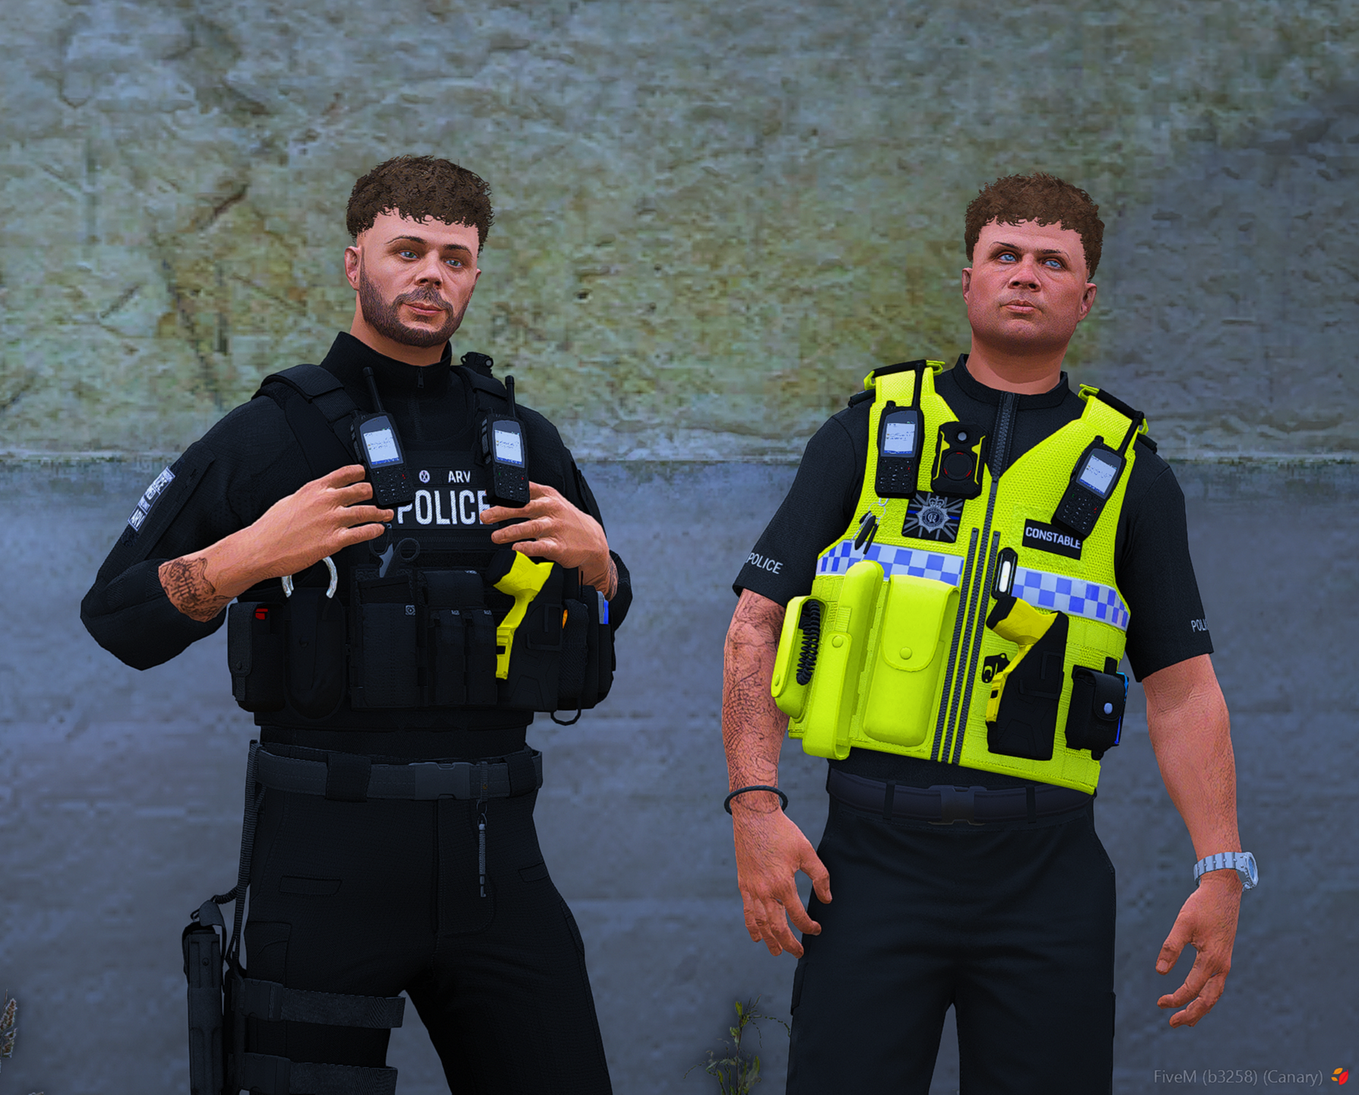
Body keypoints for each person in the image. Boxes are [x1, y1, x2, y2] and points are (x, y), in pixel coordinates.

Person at [81, 155, 631, 1094]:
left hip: (499, 863)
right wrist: (250, 552)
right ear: (354, 263)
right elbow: (116, 615)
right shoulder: (274, 434)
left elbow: (609, 614)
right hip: (323, 864)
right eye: (407, 250)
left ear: (476, 274)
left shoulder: (519, 438)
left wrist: (603, 565)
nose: (431, 275)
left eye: (454, 258)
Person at [721, 172, 1250, 1094]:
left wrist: (1222, 867)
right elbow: (755, 625)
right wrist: (755, 808)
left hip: (1048, 873)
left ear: (1085, 297)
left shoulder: (1130, 475)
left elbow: (1183, 689)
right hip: (871, 862)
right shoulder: (867, 433)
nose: (1025, 274)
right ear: (969, 280)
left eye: (1053, 262)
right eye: (1005, 254)